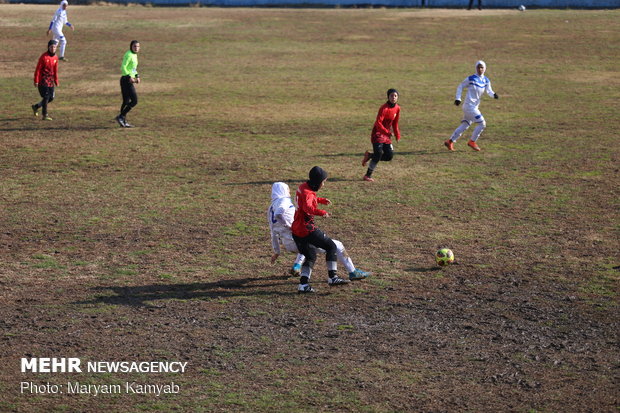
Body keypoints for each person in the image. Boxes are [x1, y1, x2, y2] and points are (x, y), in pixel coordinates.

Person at [268, 182, 370, 280]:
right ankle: (350, 273)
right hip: (296, 238)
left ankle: (299, 271)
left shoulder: (270, 208)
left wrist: (277, 252)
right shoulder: (284, 201)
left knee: (308, 249)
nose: (289, 193)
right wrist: (289, 225)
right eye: (288, 190)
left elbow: (273, 232)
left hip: (288, 244)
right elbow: (279, 213)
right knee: (336, 245)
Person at [292, 167, 353, 293]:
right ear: (316, 183)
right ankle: (333, 277)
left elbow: (305, 200)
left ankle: (303, 285)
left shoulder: (303, 187)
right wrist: (322, 212)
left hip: (296, 229)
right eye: (323, 182)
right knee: (331, 247)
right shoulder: (308, 193)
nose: (323, 184)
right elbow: (308, 207)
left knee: (310, 256)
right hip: (306, 229)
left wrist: (320, 200)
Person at [445, 60, 498, 152]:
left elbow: (489, 91)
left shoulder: (486, 80)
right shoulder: (471, 78)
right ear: (475, 68)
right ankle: (472, 141)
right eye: (478, 67)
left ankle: (450, 141)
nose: (480, 69)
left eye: (482, 67)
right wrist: (458, 98)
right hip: (469, 107)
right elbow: (460, 86)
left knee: (465, 124)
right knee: (482, 123)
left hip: (474, 107)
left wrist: (494, 95)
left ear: (485, 68)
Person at [361, 89, 401, 182]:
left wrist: (397, 134)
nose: (393, 98)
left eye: (395, 96)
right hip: (378, 133)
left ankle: (370, 156)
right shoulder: (384, 108)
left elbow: (395, 123)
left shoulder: (397, 108)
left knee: (389, 156)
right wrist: (386, 132)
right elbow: (378, 123)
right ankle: (367, 175)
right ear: (388, 97)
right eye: (391, 96)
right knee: (378, 153)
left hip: (386, 135)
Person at [32, 40, 59, 121]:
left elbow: (55, 70)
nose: (53, 48)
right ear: (48, 47)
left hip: (50, 80)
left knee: (51, 97)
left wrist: (56, 80)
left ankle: (36, 106)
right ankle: (45, 115)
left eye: (54, 47)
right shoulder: (43, 57)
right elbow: (38, 69)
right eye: (51, 47)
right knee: (46, 96)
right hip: (42, 80)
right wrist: (36, 80)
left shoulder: (55, 57)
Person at [116, 40, 141, 128]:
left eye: (138, 46)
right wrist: (128, 77)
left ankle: (123, 120)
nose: (136, 48)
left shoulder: (134, 55)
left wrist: (137, 75)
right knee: (134, 101)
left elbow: (133, 68)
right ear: (131, 46)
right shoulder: (128, 55)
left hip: (129, 79)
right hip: (126, 80)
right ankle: (121, 117)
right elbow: (123, 66)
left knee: (126, 101)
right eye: (135, 46)